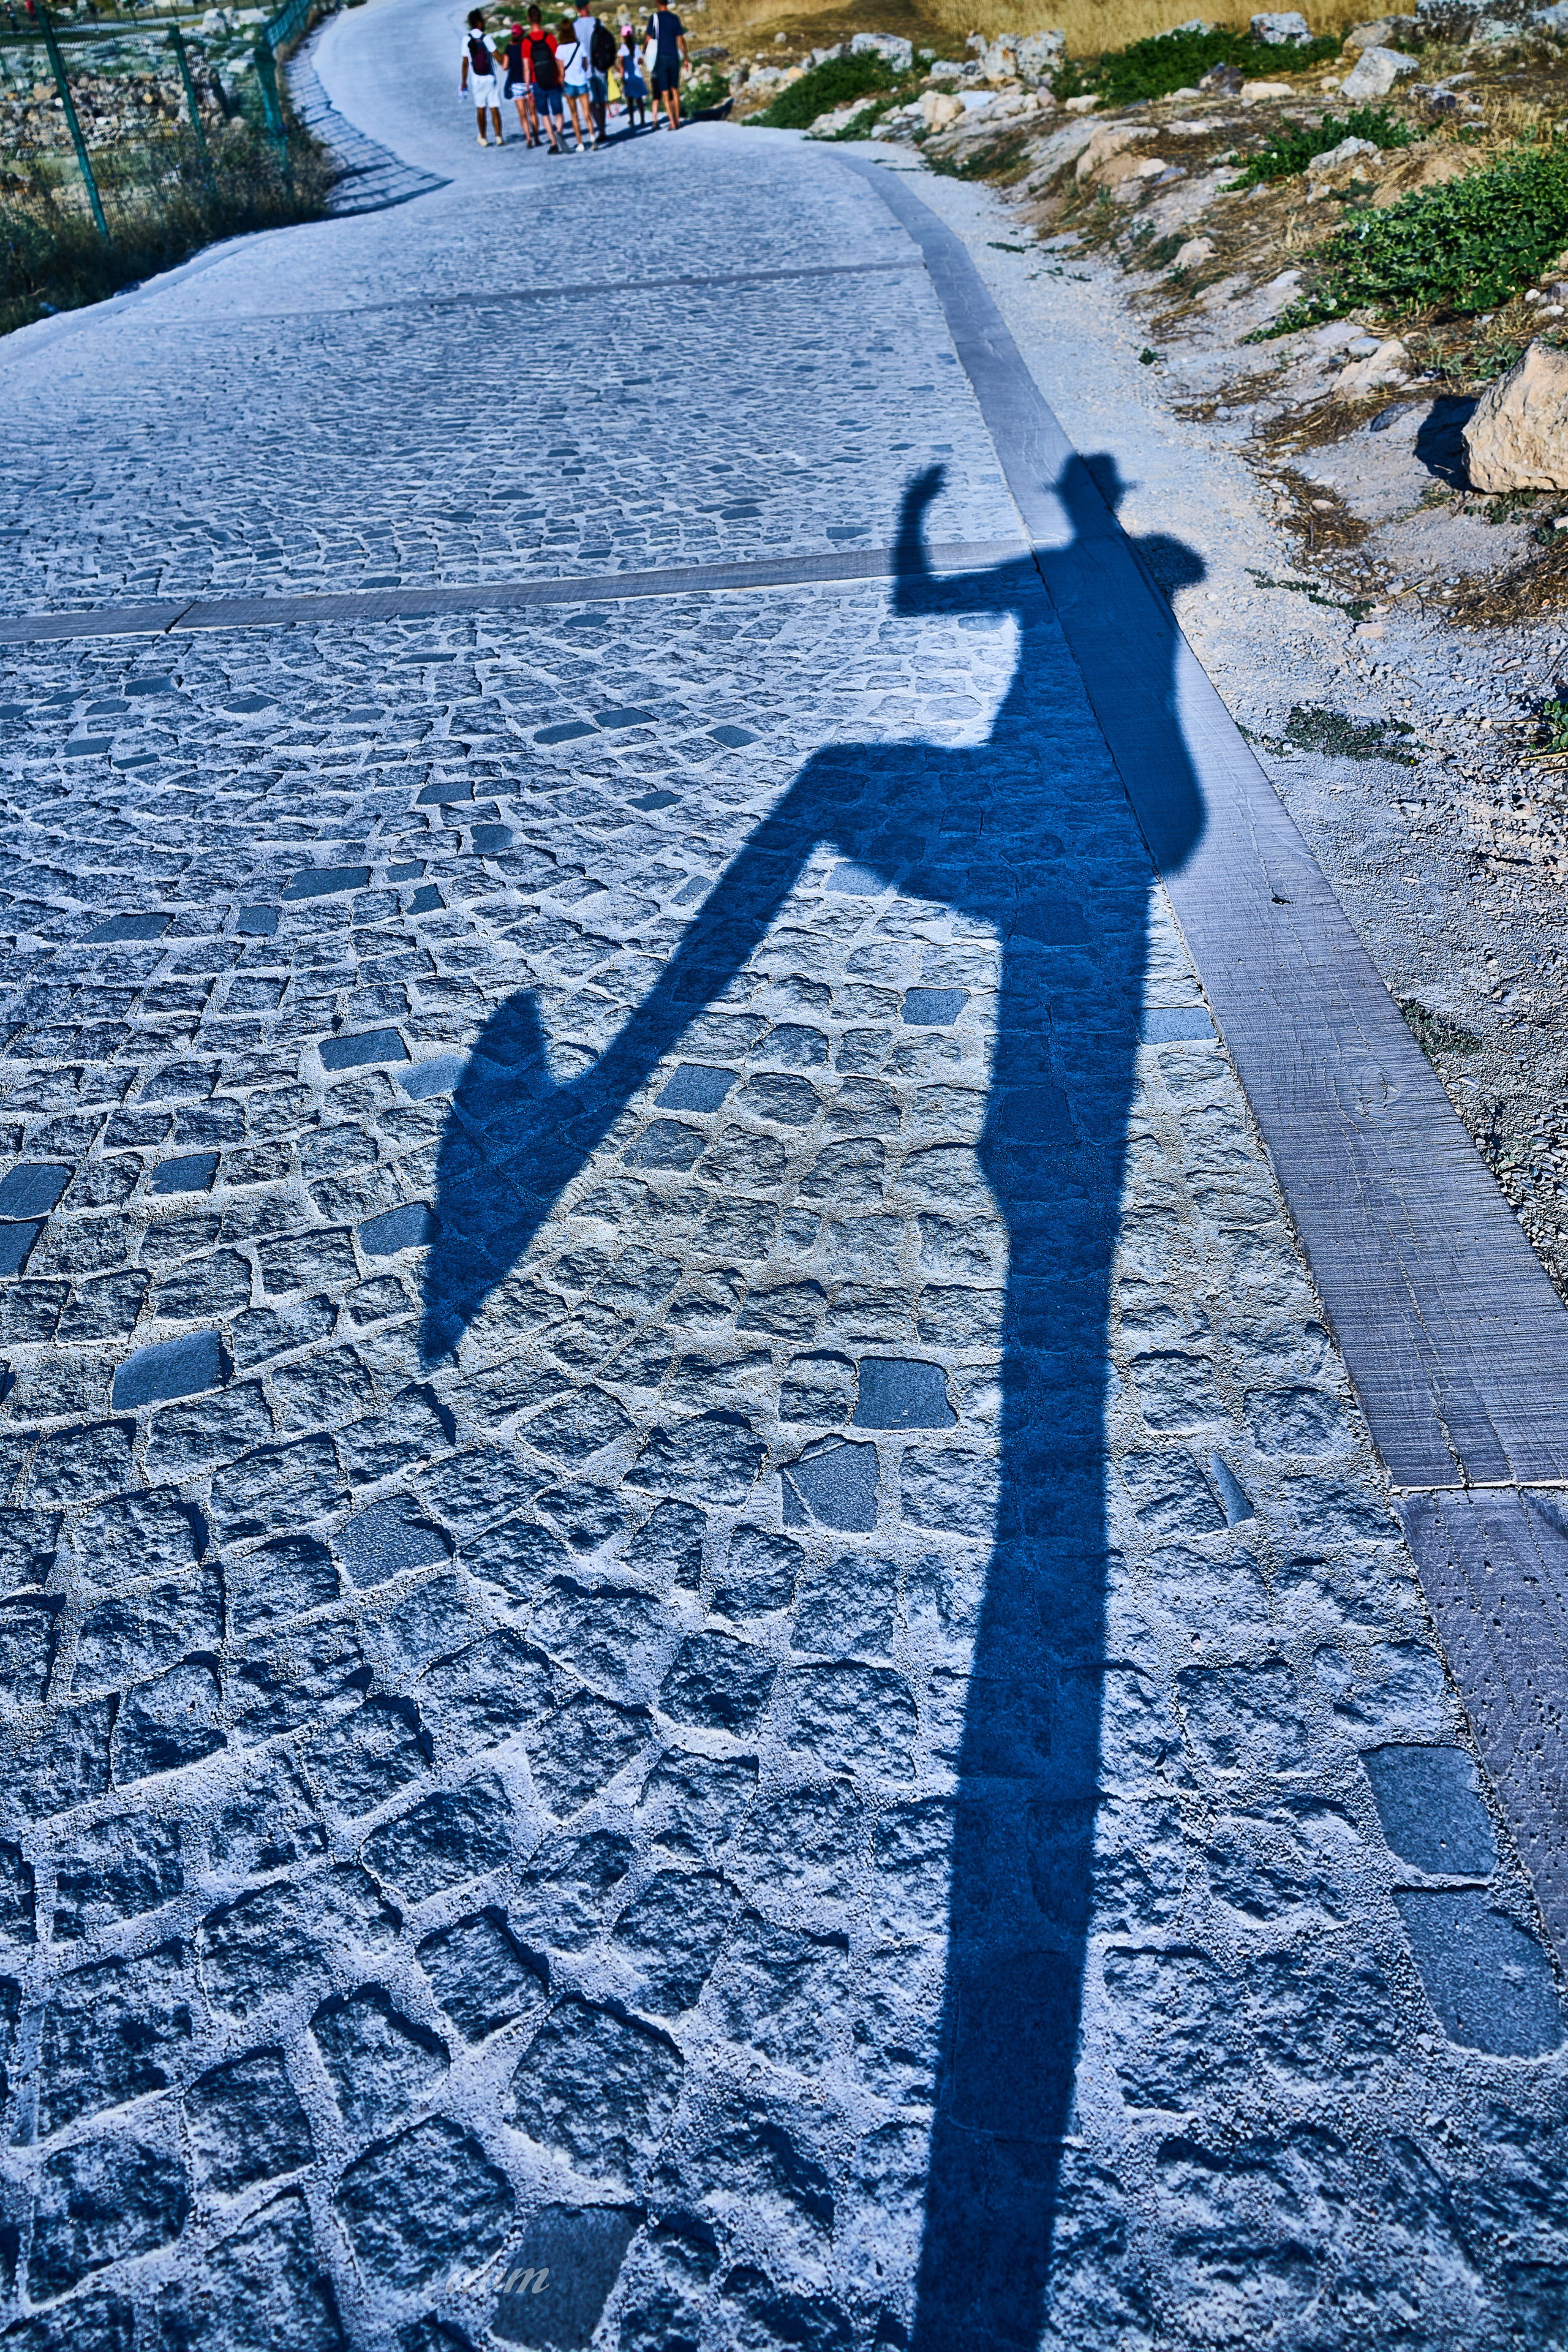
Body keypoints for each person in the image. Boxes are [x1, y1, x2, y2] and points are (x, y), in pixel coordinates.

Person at [461, 7, 505, 145]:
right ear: (479, 23)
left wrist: (464, 82)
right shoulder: (486, 38)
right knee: (494, 107)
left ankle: (484, 137)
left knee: (481, 108)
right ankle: (498, 137)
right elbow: (497, 57)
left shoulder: (466, 39)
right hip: (490, 77)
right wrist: (506, 61)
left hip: (477, 79)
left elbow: (465, 63)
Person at [524, 5, 565, 151]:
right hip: (553, 80)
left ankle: (553, 143)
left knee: (545, 114)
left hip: (537, 82)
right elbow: (558, 60)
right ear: (541, 18)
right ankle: (559, 132)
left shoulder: (526, 42)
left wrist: (528, 87)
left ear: (529, 19)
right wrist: (561, 77)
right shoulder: (550, 38)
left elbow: (527, 68)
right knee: (558, 112)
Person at [644, 0, 685, 129]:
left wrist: (644, 51)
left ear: (657, 3)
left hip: (661, 58)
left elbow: (648, 38)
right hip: (673, 56)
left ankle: (672, 123)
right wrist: (686, 59)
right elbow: (681, 39)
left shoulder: (654, 18)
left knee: (665, 92)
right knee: (675, 90)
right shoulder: (675, 18)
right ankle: (678, 119)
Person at [557, 14, 593, 151]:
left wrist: (561, 87)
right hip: (582, 82)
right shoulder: (580, 46)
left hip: (569, 84)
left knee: (574, 115)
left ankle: (580, 143)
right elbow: (585, 65)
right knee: (587, 113)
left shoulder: (560, 50)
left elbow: (561, 72)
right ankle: (592, 137)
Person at [502, 19, 535, 143]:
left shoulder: (508, 48)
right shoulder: (527, 45)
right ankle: (536, 137)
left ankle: (528, 137)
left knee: (523, 114)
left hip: (516, 84)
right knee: (533, 113)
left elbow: (505, 67)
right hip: (529, 83)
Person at [587, 10, 617, 143]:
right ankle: (603, 129)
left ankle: (600, 127)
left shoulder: (580, 28)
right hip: (602, 68)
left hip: (590, 70)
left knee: (593, 101)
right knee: (602, 99)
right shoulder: (601, 27)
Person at [618, 19, 647, 126]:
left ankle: (632, 120)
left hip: (628, 77)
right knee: (639, 99)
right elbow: (641, 61)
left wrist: (622, 76)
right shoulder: (636, 47)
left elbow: (622, 65)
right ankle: (643, 119)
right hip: (637, 76)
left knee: (630, 100)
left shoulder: (622, 49)